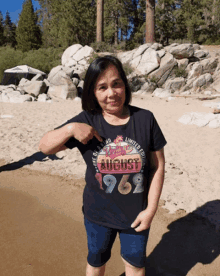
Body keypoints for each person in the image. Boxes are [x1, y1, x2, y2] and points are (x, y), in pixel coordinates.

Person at [39, 55, 167, 276]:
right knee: (96, 262)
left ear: (124, 85)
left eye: (116, 84)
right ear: (92, 92)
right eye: (102, 87)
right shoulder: (87, 121)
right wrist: (70, 129)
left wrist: (150, 210)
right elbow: (45, 147)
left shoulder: (145, 120)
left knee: (135, 266)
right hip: (97, 215)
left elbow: (158, 166)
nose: (111, 93)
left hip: (136, 215)